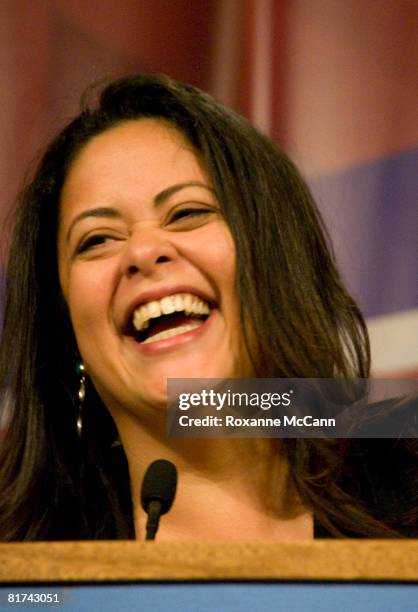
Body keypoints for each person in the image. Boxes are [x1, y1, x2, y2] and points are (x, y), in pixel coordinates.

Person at [0, 74, 416, 541]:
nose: (143, 251)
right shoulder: (25, 575)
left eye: (187, 213)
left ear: (277, 259)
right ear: (65, 326)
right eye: (96, 240)